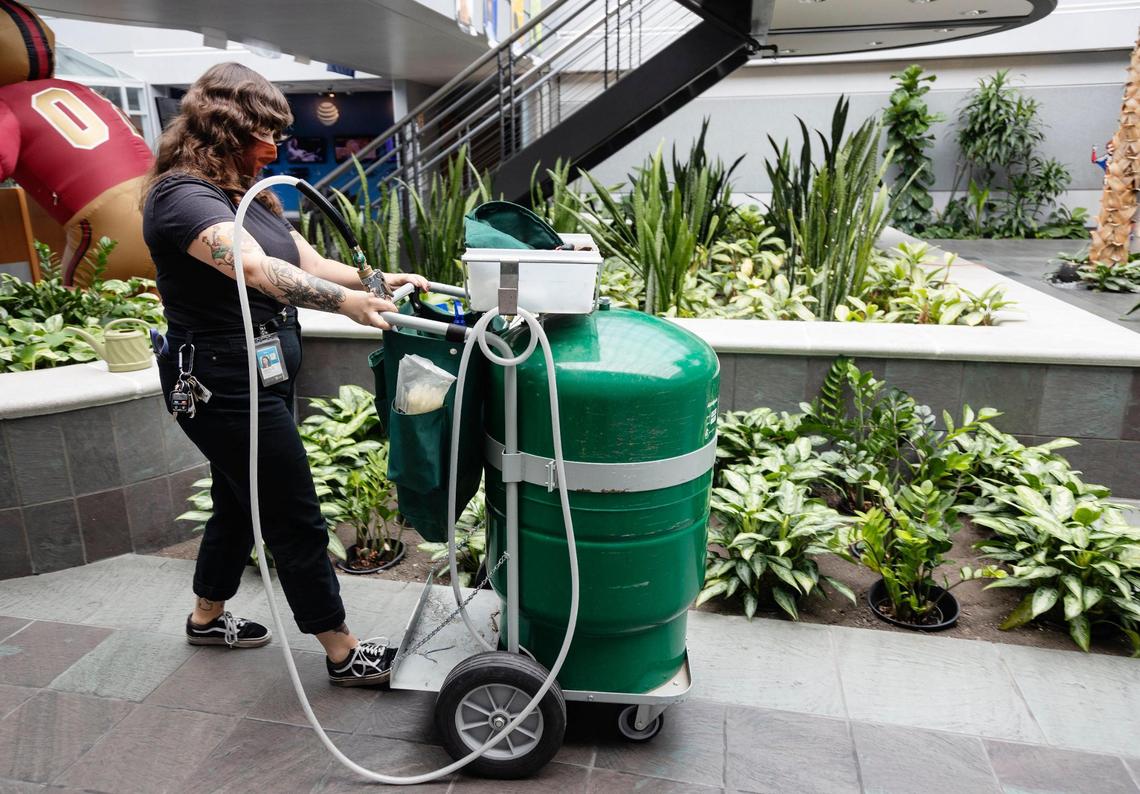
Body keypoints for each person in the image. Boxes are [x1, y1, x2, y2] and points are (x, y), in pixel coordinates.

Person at [141, 62, 428, 686]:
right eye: (264, 133)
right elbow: (252, 268)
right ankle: (342, 651)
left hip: (258, 375)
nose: (275, 146)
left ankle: (205, 617)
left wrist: (380, 281)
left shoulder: (254, 194)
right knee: (291, 510)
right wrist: (345, 305)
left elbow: (312, 261)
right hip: (221, 385)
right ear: (224, 130)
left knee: (238, 502)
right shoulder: (182, 197)